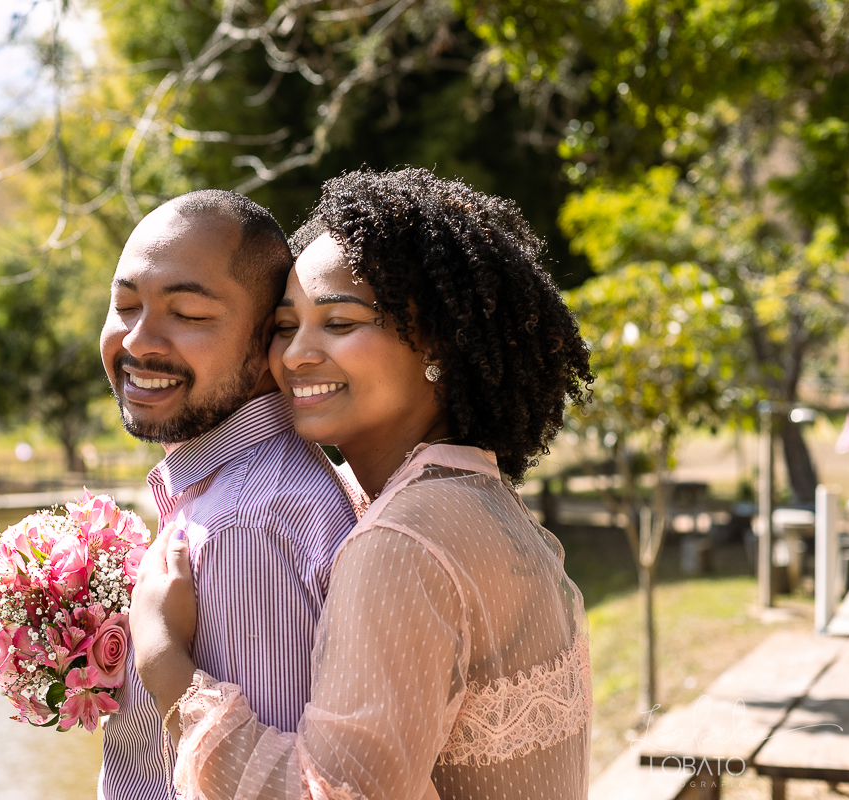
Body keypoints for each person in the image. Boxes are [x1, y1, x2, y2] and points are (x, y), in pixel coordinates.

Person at [131, 168, 596, 800]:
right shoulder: (472, 498)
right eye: (285, 327)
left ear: (437, 343)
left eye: (340, 323)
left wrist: (165, 667)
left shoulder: (402, 542)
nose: (296, 355)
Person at [97, 189, 358, 799]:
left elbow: (283, 786)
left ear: (273, 339)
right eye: (125, 304)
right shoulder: (233, 494)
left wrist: (157, 657)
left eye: (187, 314)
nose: (138, 341)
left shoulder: (243, 527)